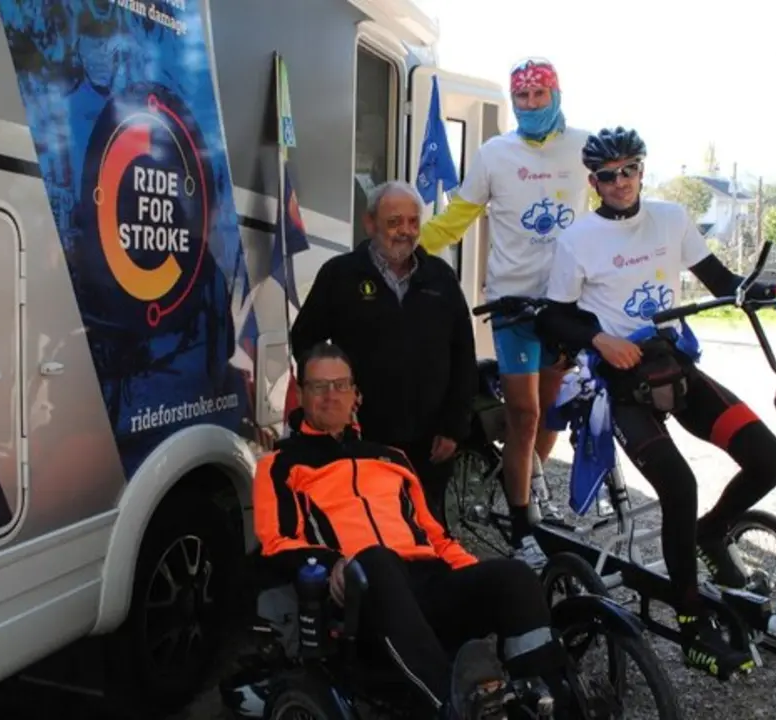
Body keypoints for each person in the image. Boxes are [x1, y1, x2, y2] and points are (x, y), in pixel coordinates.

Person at [541, 125, 776, 679]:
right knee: (678, 485)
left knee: (769, 459)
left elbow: (722, 280)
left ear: (642, 170)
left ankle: (712, 532)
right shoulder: (577, 239)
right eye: (607, 175)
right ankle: (692, 622)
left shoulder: (670, 219)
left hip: (673, 366)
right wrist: (598, 338)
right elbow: (553, 316)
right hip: (621, 385)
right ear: (593, 183)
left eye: (629, 170)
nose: (620, 182)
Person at [253, 342, 575, 719]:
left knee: (514, 576)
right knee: (375, 559)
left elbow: (434, 533)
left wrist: (470, 574)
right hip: (358, 599)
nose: (330, 397)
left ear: (356, 395)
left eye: (340, 385)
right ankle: (448, 705)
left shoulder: (391, 458)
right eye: (318, 387)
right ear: (302, 394)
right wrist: (333, 563)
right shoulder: (281, 464)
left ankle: (547, 699)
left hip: (426, 583)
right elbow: (276, 543)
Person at [417, 58, 591, 566]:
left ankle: (528, 488)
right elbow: (457, 218)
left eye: (539, 96)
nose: (531, 106)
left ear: (557, 95)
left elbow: (615, 209)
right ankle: (521, 524)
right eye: (522, 99)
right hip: (513, 302)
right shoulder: (495, 153)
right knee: (525, 412)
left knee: (551, 411)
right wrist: (404, 245)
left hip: (564, 301)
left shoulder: (583, 147)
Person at [290, 180, 477, 530]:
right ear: (370, 223)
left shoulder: (441, 279)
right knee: (367, 530)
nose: (405, 232)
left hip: (429, 443)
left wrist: (454, 427)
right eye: (394, 223)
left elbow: (464, 356)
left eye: (412, 222)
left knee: (426, 533)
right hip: (362, 437)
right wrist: (331, 404)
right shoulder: (340, 275)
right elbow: (305, 341)